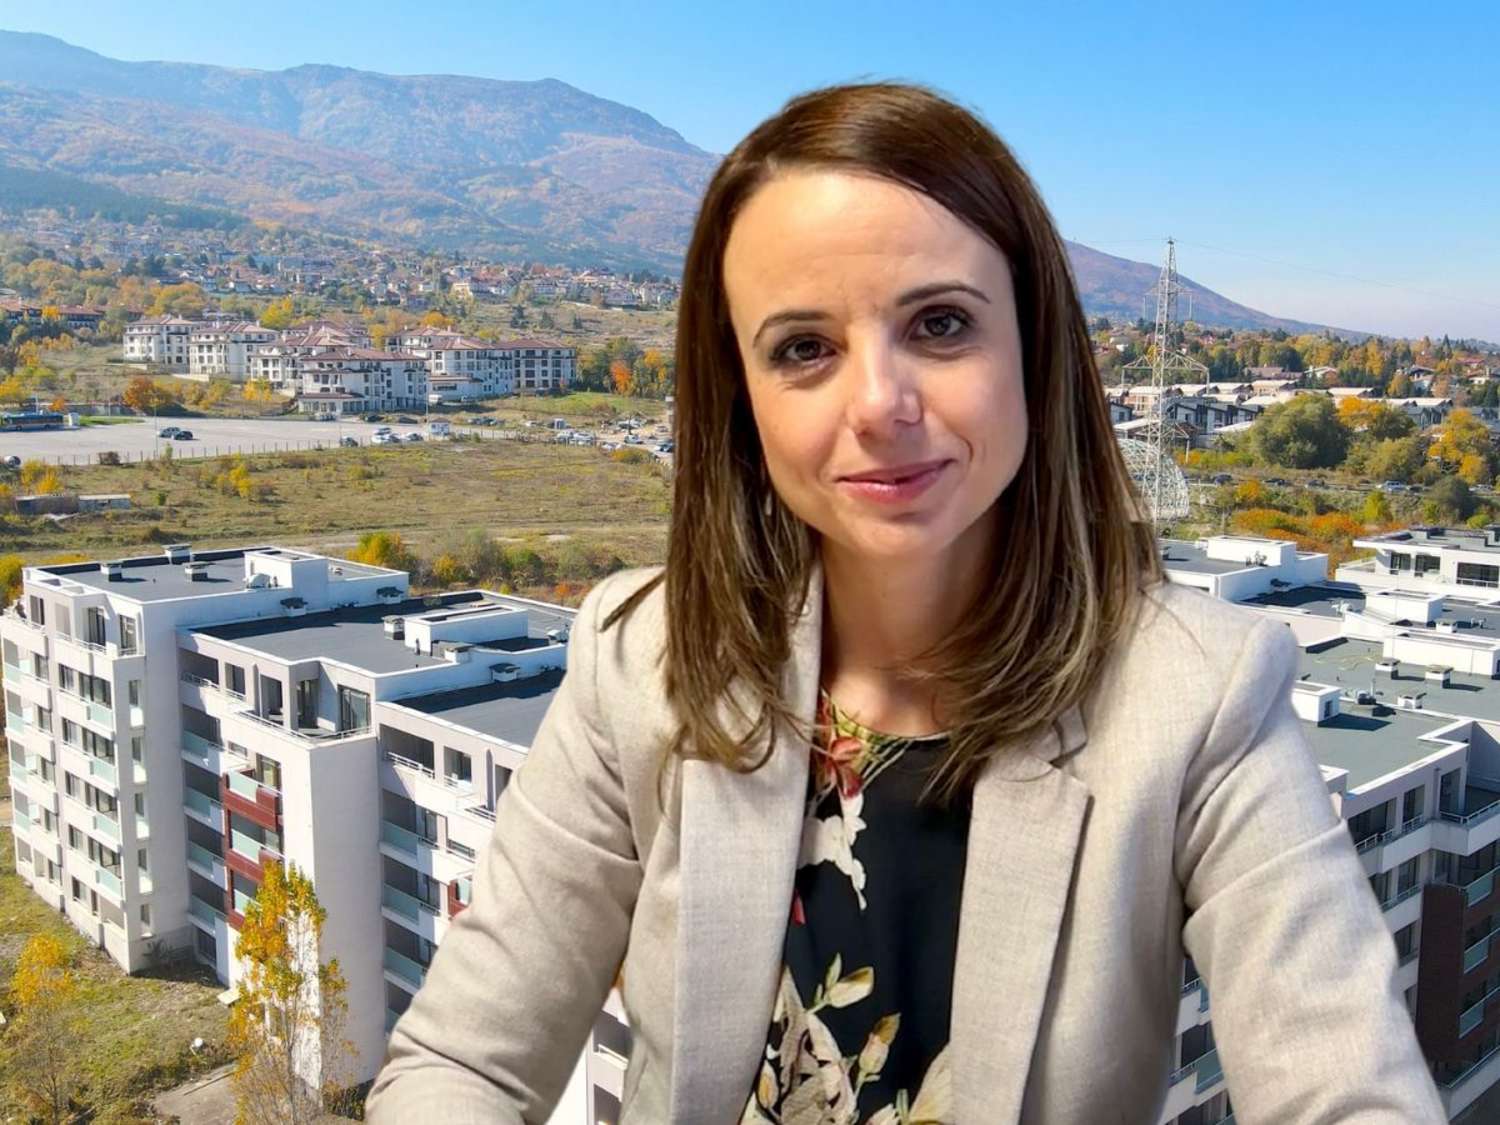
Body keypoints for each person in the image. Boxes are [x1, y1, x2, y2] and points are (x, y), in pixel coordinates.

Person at [367, 82, 1443, 1124]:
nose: (880, 404)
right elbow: (462, 1060)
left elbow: (1345, 1087)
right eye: (804, 349)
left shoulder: (1201, 699)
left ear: (1033, 348)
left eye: (939, 324)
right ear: (740, 400)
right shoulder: (640, 656)